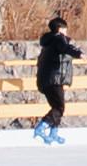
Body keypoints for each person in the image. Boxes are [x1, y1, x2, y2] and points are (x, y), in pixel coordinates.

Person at [33, 15, 77, 143]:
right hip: (53, 80)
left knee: (57, 107)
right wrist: (79, 53)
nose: (66, 32)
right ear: (59, 29)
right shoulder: (58, 40)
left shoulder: (49, 43)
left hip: (48, 80)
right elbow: (66, 49)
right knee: (59, 107)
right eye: (65, 29)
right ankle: (41, 127)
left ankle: (53, 132)